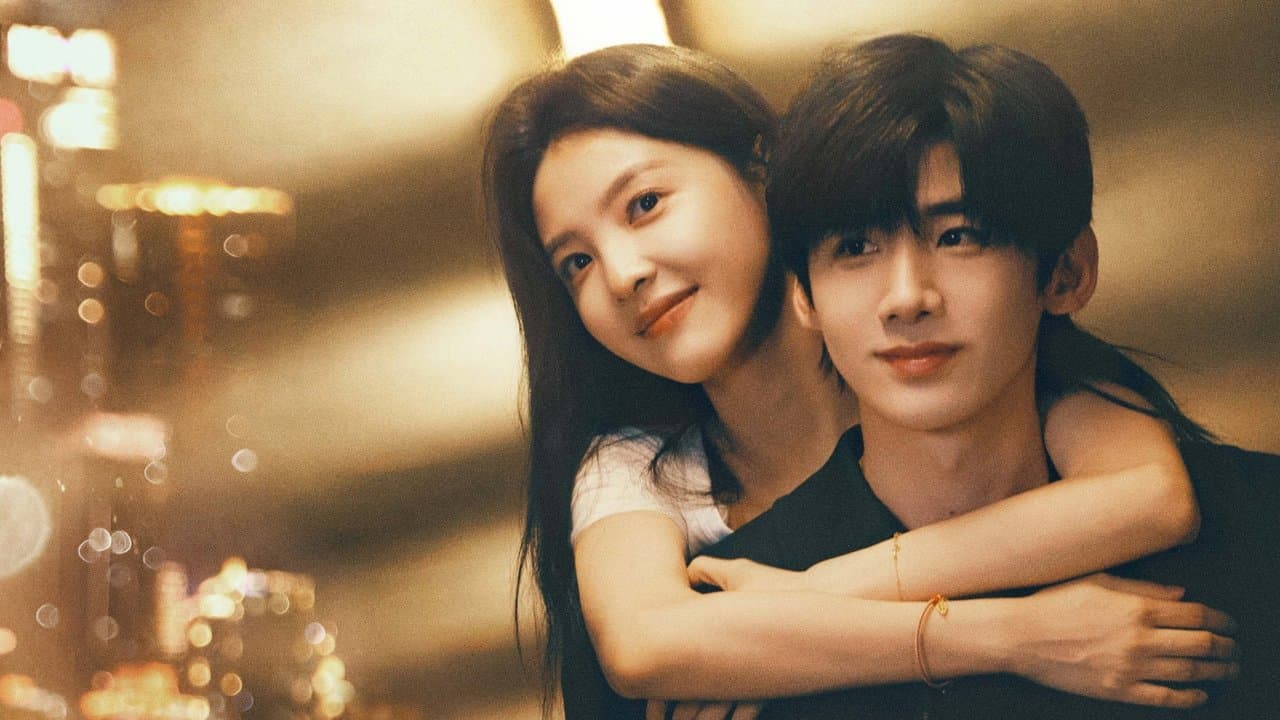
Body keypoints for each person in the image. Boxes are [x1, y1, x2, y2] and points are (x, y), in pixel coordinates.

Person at [482, 44, 1236, 719]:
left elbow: (1152, 497)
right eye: (575, 262)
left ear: (765, 174)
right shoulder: (632, 468)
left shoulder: (950, 370)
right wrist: (1017, 635)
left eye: (645, 205)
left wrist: (808, 595)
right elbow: (648, 644)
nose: (621, 274)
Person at [689, 33, 1280, 718]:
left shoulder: (1256, 526)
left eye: (959, 236)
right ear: (805, 298)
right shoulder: (728, 618)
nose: (907, 298)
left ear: (1067, 272)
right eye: (855, 247)